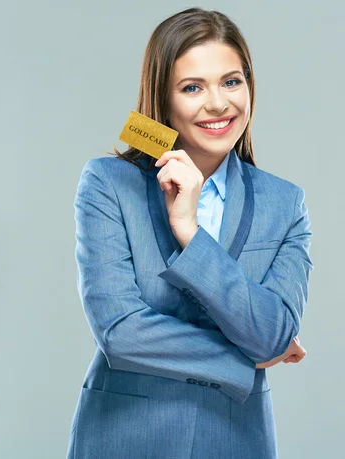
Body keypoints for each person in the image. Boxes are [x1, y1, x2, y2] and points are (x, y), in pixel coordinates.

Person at [66, 7, 313, 459]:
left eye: (232, 81)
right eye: (192, 87)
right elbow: (120, 331)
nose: (218, 103)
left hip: (236, 440)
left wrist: (190, 231)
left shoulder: (285, 202)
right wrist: (242, 359)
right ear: (162, 98)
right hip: (125, 438)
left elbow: (275, 334)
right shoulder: (108, 183)